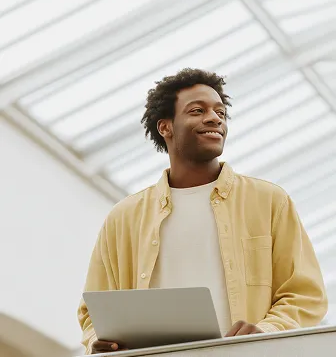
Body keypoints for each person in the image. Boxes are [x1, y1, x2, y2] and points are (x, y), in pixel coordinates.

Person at [78, 68, 328, 354]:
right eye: (197, 110)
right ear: (165, 127)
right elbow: (92, 310)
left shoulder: (269, 201)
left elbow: (306, 294)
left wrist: (266, 331)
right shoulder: (124, 218)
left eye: (220, 113)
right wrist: (99, 340)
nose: (214, 119)